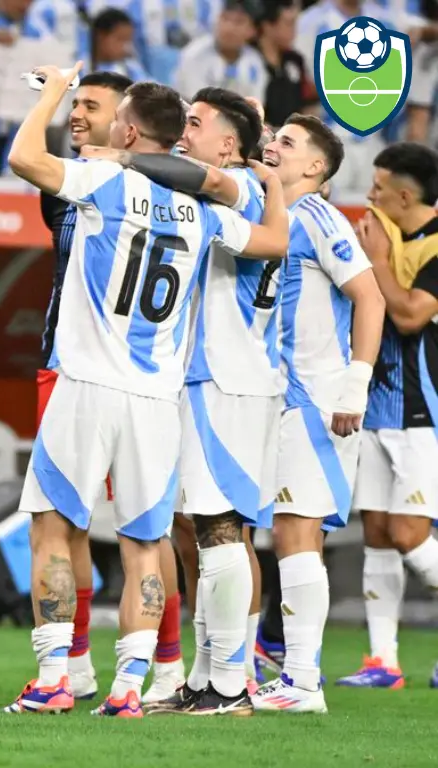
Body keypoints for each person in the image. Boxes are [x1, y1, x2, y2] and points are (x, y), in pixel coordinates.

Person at [5, 66, 288, 718]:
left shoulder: (106, 180)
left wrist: (51, 91)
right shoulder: (202, 212)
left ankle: (53, 676)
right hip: (157, 400)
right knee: (143, 544)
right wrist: (270, 183)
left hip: (86, 386)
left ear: (128, 130)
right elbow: (274, 240)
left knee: (53, 526)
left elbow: (23, 157)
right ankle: (130, 687)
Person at [143, 87, 277, 715]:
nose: (182, 132)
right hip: (206, 378)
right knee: (202, 530)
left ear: (229, 143)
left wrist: (122, 160)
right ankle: (205, 679)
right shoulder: (241, 190)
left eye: (195, 123)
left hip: (227, 380)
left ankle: (230, 683)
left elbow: (204, 178)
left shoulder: (246, 187)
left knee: (221, 530)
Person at [248, 113, 384, 714]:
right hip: (281, 396)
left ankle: (302, 681)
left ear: (316, 168)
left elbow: (370, 295)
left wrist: (356, 384)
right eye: (274, 138)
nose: (274, 147)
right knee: (287, 532)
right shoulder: (275, 215)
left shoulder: (319, 216)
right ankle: (296, 675)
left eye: (288, 143)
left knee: (296, 531)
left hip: (319, 398)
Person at [34, 70, 132, 703]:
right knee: (64, 521)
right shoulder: (64, 188)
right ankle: (75, 663)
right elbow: (31, 162)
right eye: (73, 103)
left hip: (135, 374)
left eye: (88, 106)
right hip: (59, 363)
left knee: (149, 528)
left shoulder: (156, 184)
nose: (75, 114)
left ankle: (177, 666)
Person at [340, 143, 438, 690]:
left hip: (423, 413)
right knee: (377, 532)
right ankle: (383, 661)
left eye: (378, 187)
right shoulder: (385, 237)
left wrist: (375, 260)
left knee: (408, 533)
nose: (370, 196)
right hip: (376, 409)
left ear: (404, 195)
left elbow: (408, 315)